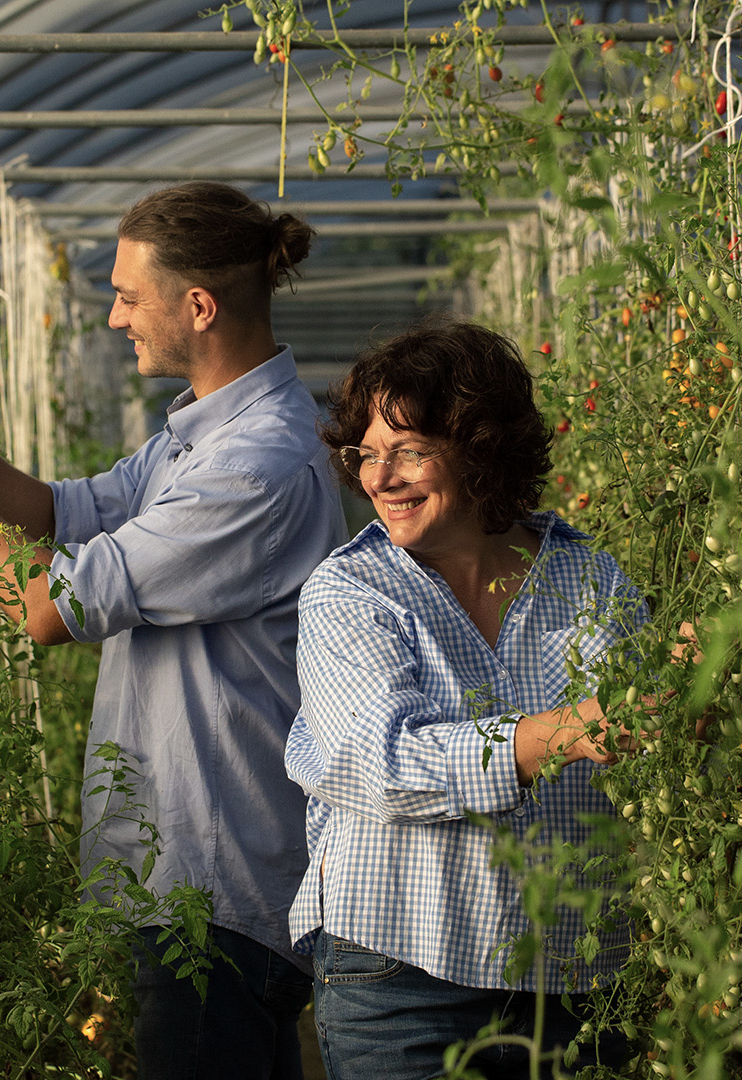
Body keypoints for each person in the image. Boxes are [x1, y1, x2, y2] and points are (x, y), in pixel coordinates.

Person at [0, 181, 346, 1079]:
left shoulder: (256, 463)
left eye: (127, 295)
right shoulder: (202, 435)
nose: (115, 317)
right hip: (199, 881)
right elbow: (62, 515)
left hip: (211, 888)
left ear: (198, 305)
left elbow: (49, 605)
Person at [286, 317, 661, 1080]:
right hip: (404, 979)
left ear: (483, 448)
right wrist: (563, 732)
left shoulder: (589, 580)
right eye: (367, 454)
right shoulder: (350, 593)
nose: (381, 478)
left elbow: (641, 748)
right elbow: (382, 762)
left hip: (579, 981)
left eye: (410, 451)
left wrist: (683, 697)